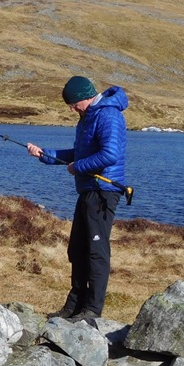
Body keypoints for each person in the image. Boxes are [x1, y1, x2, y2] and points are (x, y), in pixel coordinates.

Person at [26, 75, 128, 320]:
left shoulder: (108, 115)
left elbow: (110, 155)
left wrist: (79, 167)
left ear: (86, 97)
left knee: (96, 251)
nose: (72, 109)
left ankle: (92, 310)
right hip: (87, 190)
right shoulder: (87, 117)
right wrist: (45, 155)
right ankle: (73, 307)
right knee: (77, 249)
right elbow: (78, 153)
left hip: (103, 191)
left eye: (73, 104)